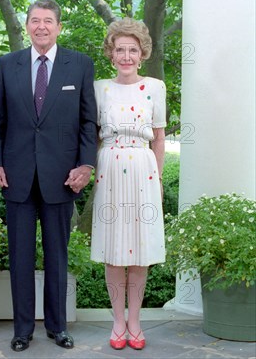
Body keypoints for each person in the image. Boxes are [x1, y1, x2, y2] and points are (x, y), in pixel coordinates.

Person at [0, 0, 98, 352]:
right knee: (19, 258)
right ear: (27, 26)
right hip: (16, 176)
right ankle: (22, 330)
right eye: (35, 21)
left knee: (57, 256)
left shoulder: (79, 65)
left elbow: (88, 121)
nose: (41, 27)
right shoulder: (7, 65)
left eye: (48, 21)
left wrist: (86, 164)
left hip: (62, 177)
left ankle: (57, 326)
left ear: (59, 27)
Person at [90, 18, 166, 351]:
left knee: (138, 252)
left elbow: (160, 137)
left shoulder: (155, 87)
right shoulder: (98, 88)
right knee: (113, 251)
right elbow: (91, 137)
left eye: (132, 49)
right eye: (119, 49)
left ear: (142, 53)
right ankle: (117, 322)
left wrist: (159, 180)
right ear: (111, 53)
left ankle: (135, 321)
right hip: (110, 168)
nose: (126, 55)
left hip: (143, 171)